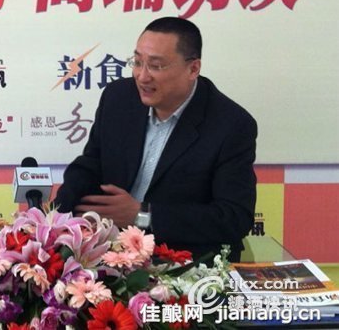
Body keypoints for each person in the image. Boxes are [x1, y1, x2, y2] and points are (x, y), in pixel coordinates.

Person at [54, 17, 257, 261]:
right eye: (138, 62)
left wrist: (142, 215)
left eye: (156, 66)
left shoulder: (231, 125)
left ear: (193, 69)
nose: (142, 76)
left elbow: (233, 218)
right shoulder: (119, 98)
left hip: (183, 262)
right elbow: (91, 164)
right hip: (112, 253)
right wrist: (57, 221)